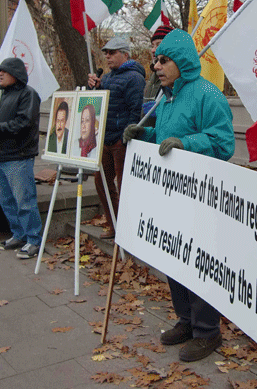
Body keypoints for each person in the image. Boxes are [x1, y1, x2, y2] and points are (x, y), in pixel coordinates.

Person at [123, 28, 235, 362]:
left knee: (198, 261)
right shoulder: (167, 98)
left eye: (164, 59)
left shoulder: (207, 95)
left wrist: (187, 145)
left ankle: (207, 331)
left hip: (200, 197)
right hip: (171, 195)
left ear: (182, 61)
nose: (156, 66)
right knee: (175, 257)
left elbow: (222, 141)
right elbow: (166, 136)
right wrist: (145, 134)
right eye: (156, 60)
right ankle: (186, 320)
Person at [0, 58, 42, 259]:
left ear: (15, 73)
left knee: (24, 201)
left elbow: (23, 123)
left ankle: (34, 239)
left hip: (18, 156)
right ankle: (19, 234)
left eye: (3, 72)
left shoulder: (28, 95)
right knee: (6, 200)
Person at [87, 37, 145, 239]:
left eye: (112, 52)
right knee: (101, 182)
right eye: (106, 53)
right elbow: (97, 105)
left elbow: (134, 112)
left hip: (120, 141)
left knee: (124, 185)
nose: (107, 56)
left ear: (125, 54)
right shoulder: (108, 77)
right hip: (105, 139)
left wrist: (124, 139)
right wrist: (92, 87)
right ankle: (115, 224)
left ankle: (129, 230)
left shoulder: (134, 78)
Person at [142, 25, 173, 126]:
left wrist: (163, 110)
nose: (153, 50)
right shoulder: (153, 75)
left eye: (158, 45)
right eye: (152, 46)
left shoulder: (174, 77)